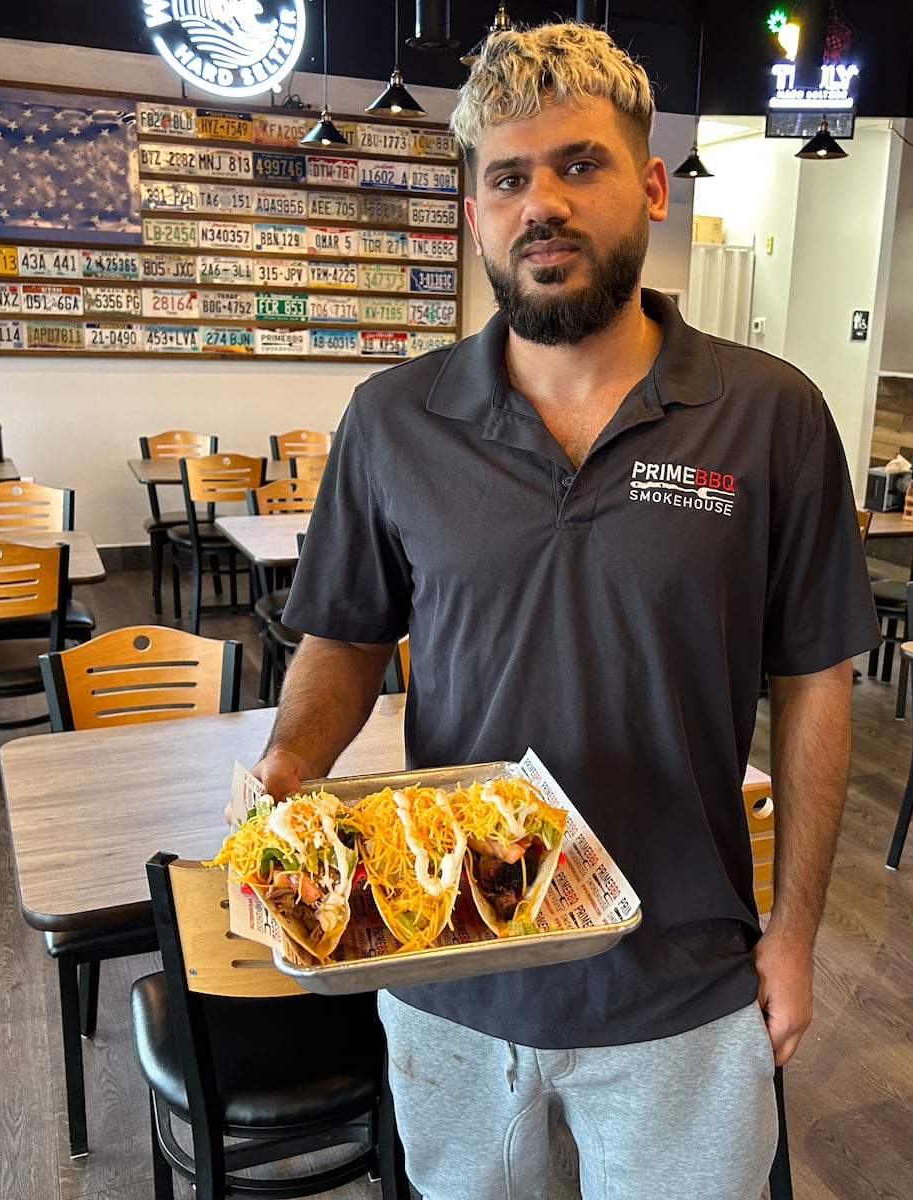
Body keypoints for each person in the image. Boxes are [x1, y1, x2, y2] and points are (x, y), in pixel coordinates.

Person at [250, 21, 879, 1200]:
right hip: (447, 976)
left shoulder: (770, 415)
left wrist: (791, 936)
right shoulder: (393, 420)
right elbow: (345, 638)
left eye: (577, 165)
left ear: (648, 185)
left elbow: (813, 686)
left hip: (684, 980)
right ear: (476, 214)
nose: (540, 201)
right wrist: (289, 761)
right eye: (505, 177)